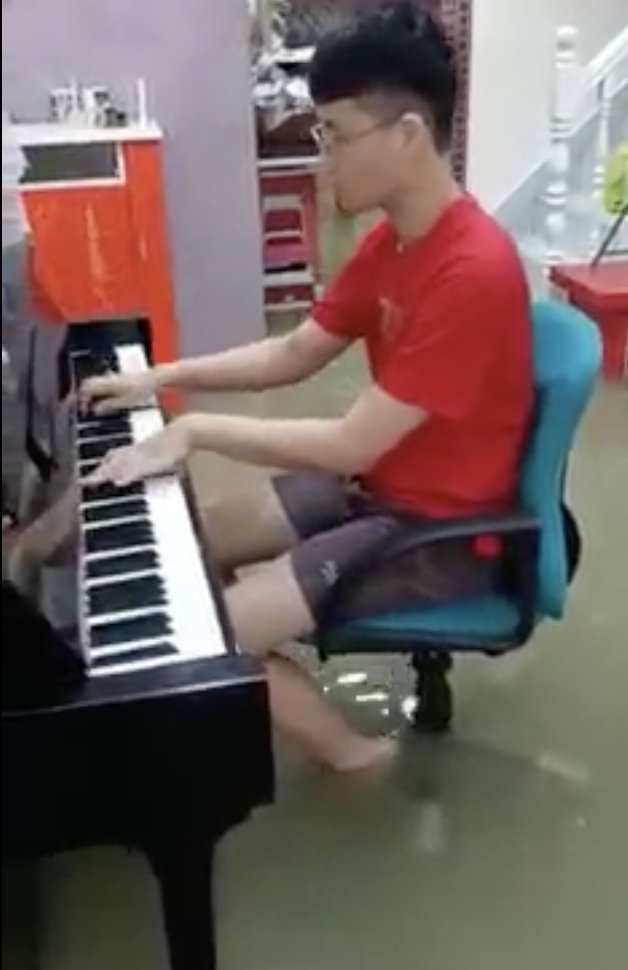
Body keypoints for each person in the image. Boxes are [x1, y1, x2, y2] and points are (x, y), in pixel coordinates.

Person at [11, 5, 535, 772]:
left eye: (335, 135)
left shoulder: (472, 272)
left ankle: (361, 760)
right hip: (377, 488)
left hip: (436, 533)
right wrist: (160, 377)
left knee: (202, 634)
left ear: (409, 136)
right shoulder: (395, 239)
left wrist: (196, 431)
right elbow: (294, 352)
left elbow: (353, 437)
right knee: (189, 545)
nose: (323, 159)